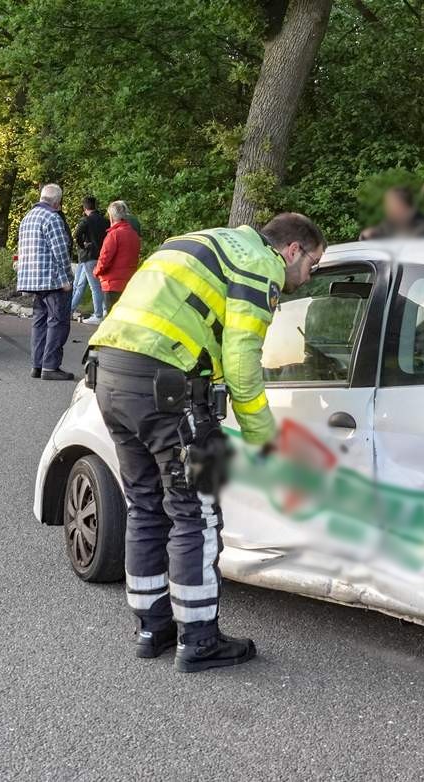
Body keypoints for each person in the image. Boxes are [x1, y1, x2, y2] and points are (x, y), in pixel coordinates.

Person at [88, 212, 325, 672]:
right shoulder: (261, 266)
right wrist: (264, 439)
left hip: (109, 378)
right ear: (292, 249)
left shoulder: (204, 241)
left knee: (145, 505)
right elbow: (241, 363)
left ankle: (152, 628)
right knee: (195, 512)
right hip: (167, 392)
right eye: (312, 264)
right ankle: (198, 640)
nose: (308, 276)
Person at [13, 183, 75, 380]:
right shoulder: (52, 218)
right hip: (52, 280)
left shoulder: (27, 218)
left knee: (39, 322)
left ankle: (37, 365)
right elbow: (61, 252)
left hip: (32, 280)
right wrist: (67, 278)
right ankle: (50, 366)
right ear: (57, 203)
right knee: (58, 322)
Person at [93, 200, 140, 313]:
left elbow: (104, 259)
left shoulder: (113, 235)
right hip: (128, 282)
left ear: (111, 217)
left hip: (112, 284)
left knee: (111, 320)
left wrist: (96, 272)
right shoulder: (133, 234)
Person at [71, 195, 110, 324]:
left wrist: (83, 245)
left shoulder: (86, 220)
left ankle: (97, 314)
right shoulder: (105, 221)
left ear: (84, 208)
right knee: (102, 284)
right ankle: (104, 309)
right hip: (102, 255)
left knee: (93, 287)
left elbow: (76, 235)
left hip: (89, 256)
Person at [358, 186, 424, 240]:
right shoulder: (390, 222)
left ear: (399, 204)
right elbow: (380, 233)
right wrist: (369, 234)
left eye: (389, 203)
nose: (386, 207)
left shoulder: (423, 224)